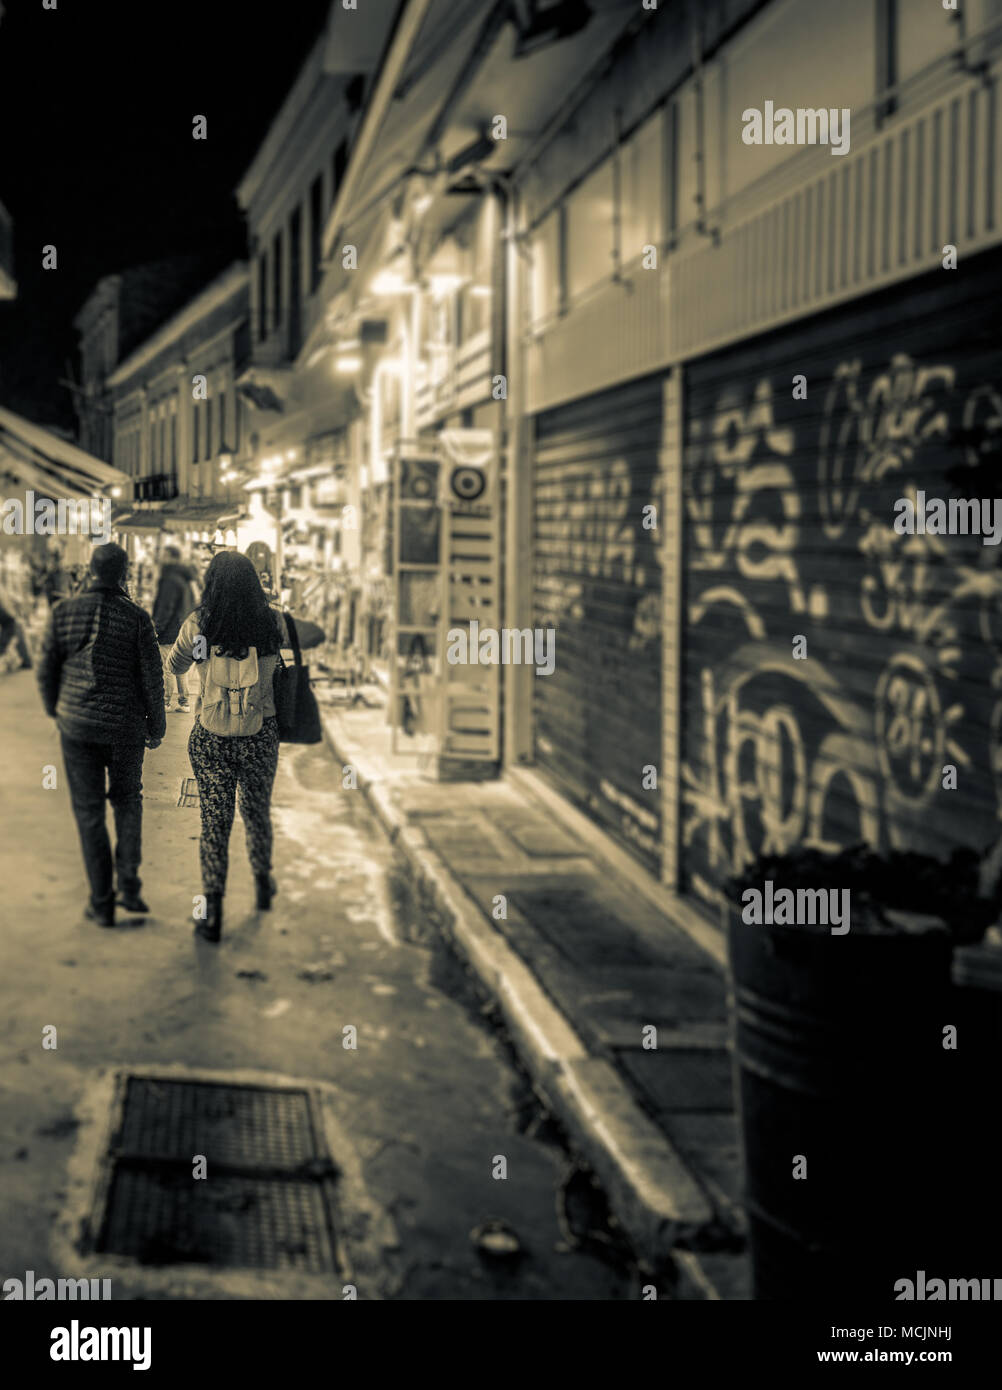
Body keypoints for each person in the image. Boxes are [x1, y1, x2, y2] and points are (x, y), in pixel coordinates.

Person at [36, 543, 165, 927]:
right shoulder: (138, 619)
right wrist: (156, 726)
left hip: (77, 728)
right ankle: (129, 886)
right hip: (125, 727)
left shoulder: (63, 613)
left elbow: (46, 670)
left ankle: (102, 902)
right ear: (124, 574)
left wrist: (57, 711)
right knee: (127, 800)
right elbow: (152, 679)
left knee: (89, 812)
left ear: (91, 571)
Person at [167, 551, 288, 944]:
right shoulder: (271, 622)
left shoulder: (199, 626)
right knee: (256, 813)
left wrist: (203, 657)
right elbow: (302, 642)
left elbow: (176, 666)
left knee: (214, 823)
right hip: (261, 735)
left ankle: (213, 910)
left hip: (210, 738)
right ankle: (263, 882)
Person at [152, 541, 198, 711]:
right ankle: (184, 701)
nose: (161, 558)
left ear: (171, 558)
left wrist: (157, 628)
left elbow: (166, 607)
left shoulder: (170, 580)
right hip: (182, 627)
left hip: (170, 629)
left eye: (164, 555)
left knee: (167, 667)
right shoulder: (185, 579)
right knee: (179, 665)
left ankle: (165, 701)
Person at [0, 579, 32, 670]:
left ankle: (25, 660)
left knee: (13, 627)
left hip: (7, 612)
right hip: (8, 613)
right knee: (13, 626)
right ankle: (26, 660)